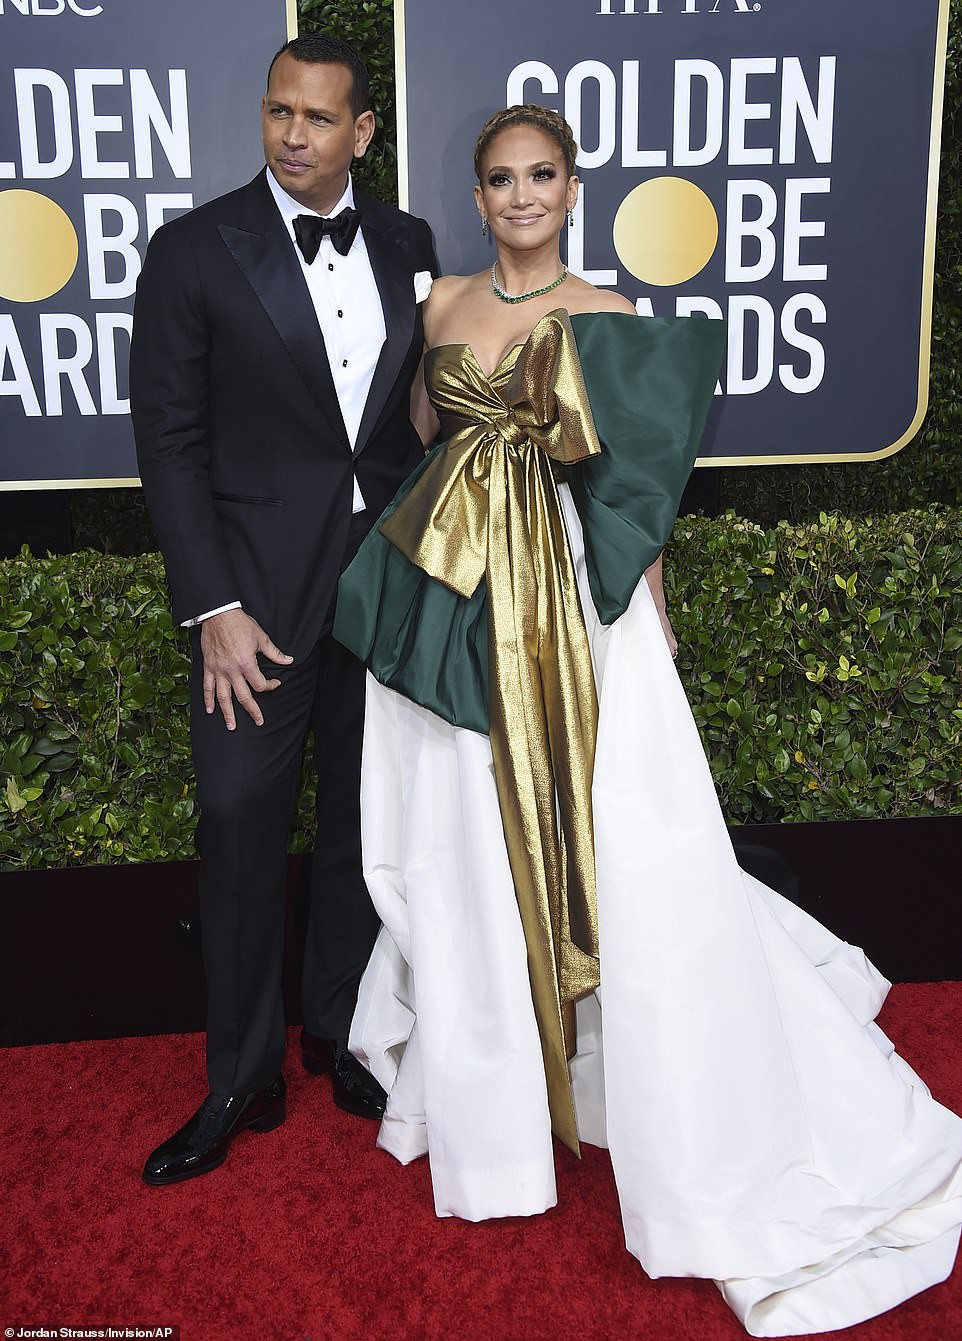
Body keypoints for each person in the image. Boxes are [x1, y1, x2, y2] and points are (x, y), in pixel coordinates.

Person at [333, 105, 962, 1335]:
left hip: (572, 606)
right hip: (455, 598)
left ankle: (661, 1081)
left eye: (542, 176)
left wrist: (649, 617)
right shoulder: (439, 304)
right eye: (500, 178)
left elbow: (636, 488)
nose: (521, 196)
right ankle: (498, 1108)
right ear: (477, 196)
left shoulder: (610, 315)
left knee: (626, 842)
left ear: (573, 190)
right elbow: (419, 443)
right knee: (463, 843)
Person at [129, 33, 437, 1186]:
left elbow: (417, 417)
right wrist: (210, 602)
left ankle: (339, 1034)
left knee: (364, 812)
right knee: (237, 816)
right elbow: (168, 440)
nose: (292, 135)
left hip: (381, 573)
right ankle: (240, 1076)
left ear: (362, 131)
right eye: (277, 112)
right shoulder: (194, 249)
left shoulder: (407, 242)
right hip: (253, 588)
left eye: (316, 118)